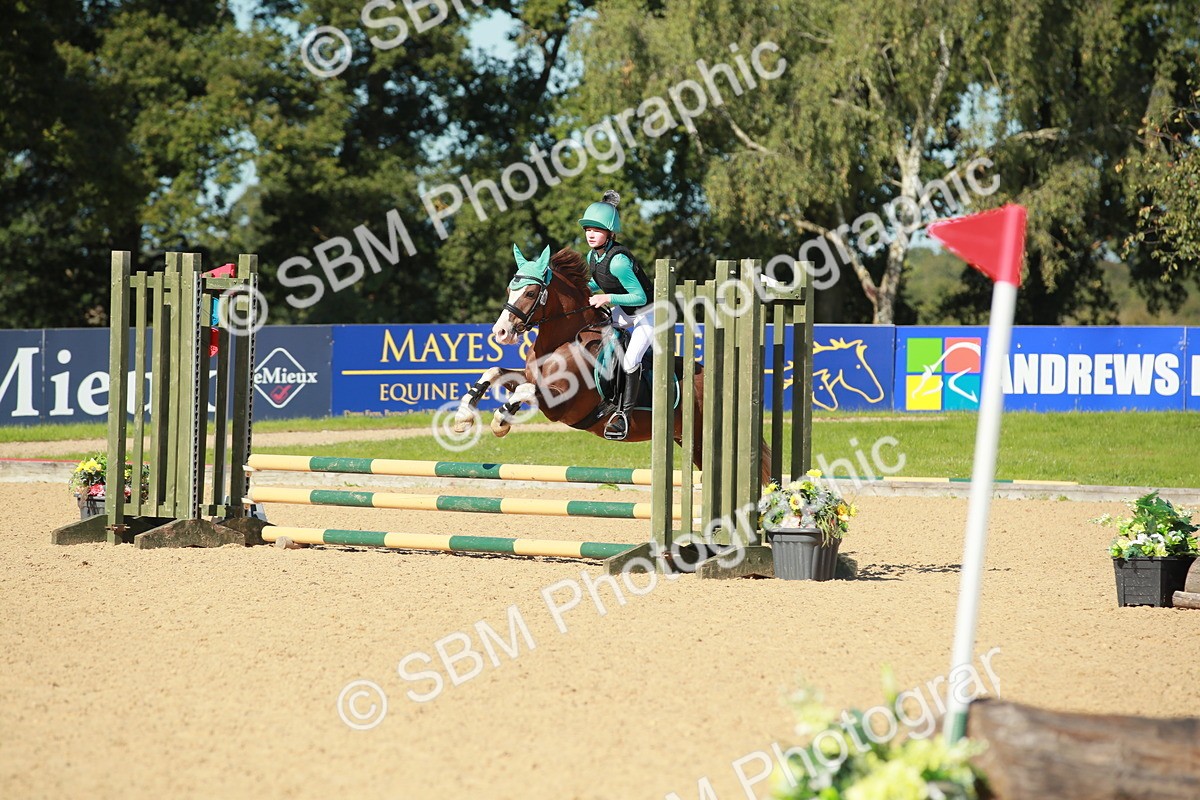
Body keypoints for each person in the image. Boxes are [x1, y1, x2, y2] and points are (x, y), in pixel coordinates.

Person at [579, 190, 655, 440]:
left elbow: (640, 297)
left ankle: (624, 415)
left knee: (631, 360)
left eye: (597, 230)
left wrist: (607, 298)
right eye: (588, 229)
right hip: (626, 312)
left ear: (610, 233)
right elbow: (597, 282)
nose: (590, 234)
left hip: (648, 313)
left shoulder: (619, 261)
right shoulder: (593, 256)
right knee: (600, 334)